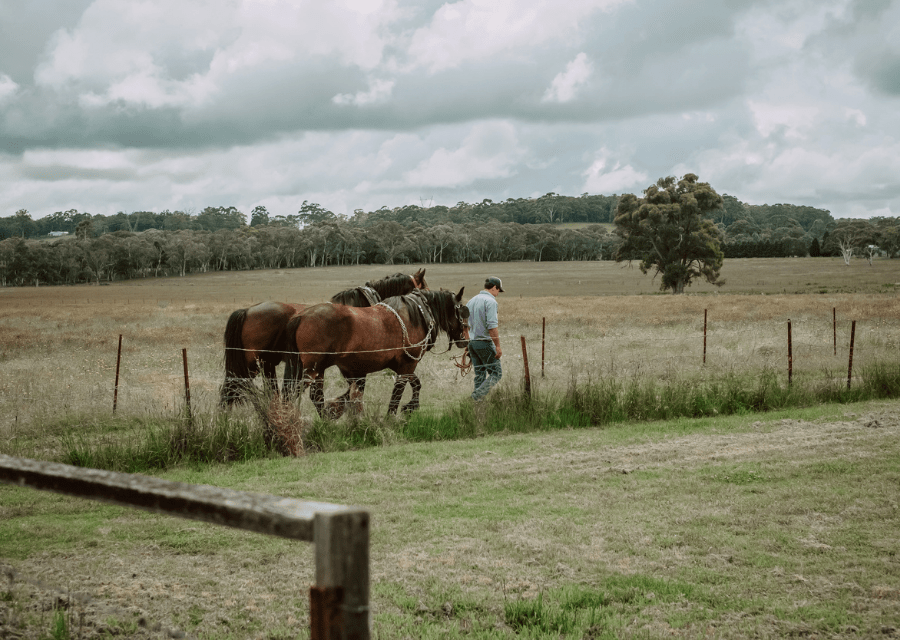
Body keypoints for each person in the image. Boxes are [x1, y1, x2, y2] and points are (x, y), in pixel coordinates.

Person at [465, 276, 504, 401]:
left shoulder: (470, 301)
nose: (498, 293)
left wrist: (468, 342)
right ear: (494, 288)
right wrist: (497, 346)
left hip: (472, 343)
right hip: (484, 342)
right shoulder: (491, 302)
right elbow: (492, 327)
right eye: (498, 290)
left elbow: (464, 325)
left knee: (480, 374)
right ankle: (476, 396)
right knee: (496, 373)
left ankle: (477, 404)